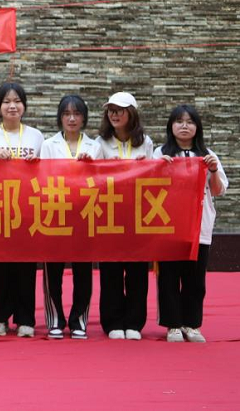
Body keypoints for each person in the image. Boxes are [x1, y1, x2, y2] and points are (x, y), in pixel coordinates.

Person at [0, 82, 44, 338]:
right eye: (6, 102)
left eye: (17, 101)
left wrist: (36, 164)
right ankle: (0, 318)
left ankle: (25, 319)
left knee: (26, 267)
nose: (12, 106)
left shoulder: (36, 136)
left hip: (27, 209)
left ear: (24, 106)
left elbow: (47, 171)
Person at [153, 105, 227, 343]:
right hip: (168, 226)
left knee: (195, 279)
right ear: (171, 126)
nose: (184, 126)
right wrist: (157, 168)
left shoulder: (207, 154)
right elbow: (148, 188)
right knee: (168, 277)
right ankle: (173, 325)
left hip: (199, 226)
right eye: (179, 121)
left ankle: (191, 324)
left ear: (197, 127)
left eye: (190, 121)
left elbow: (218, 190)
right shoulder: (160, 153)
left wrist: (213, 170)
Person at [39, 95, 101, 340]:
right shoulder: (48, 144)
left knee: (83, 270)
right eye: (67, 114)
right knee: (52, 270)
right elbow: (42, 178)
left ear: (84, 117)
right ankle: (55, 319)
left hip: (85, 213)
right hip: (55, 212)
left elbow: (105, 180)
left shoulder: (95, 146)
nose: (72, 119)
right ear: (60, 117)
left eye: (76, 114)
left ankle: (79, 320)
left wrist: (91, 166)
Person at [96, 91, 155, 340]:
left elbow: (155, 179)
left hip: (137, 216)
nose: (114, 115)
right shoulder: (100, 143)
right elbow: (92, 178)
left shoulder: (145, 142)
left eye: (119, 110)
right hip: (109, 216)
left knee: (137, 271)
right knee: (110, 270)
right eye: (111, 111)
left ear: (131, 113)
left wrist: (147, 166)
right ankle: (112, 322)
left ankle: (134, 322)